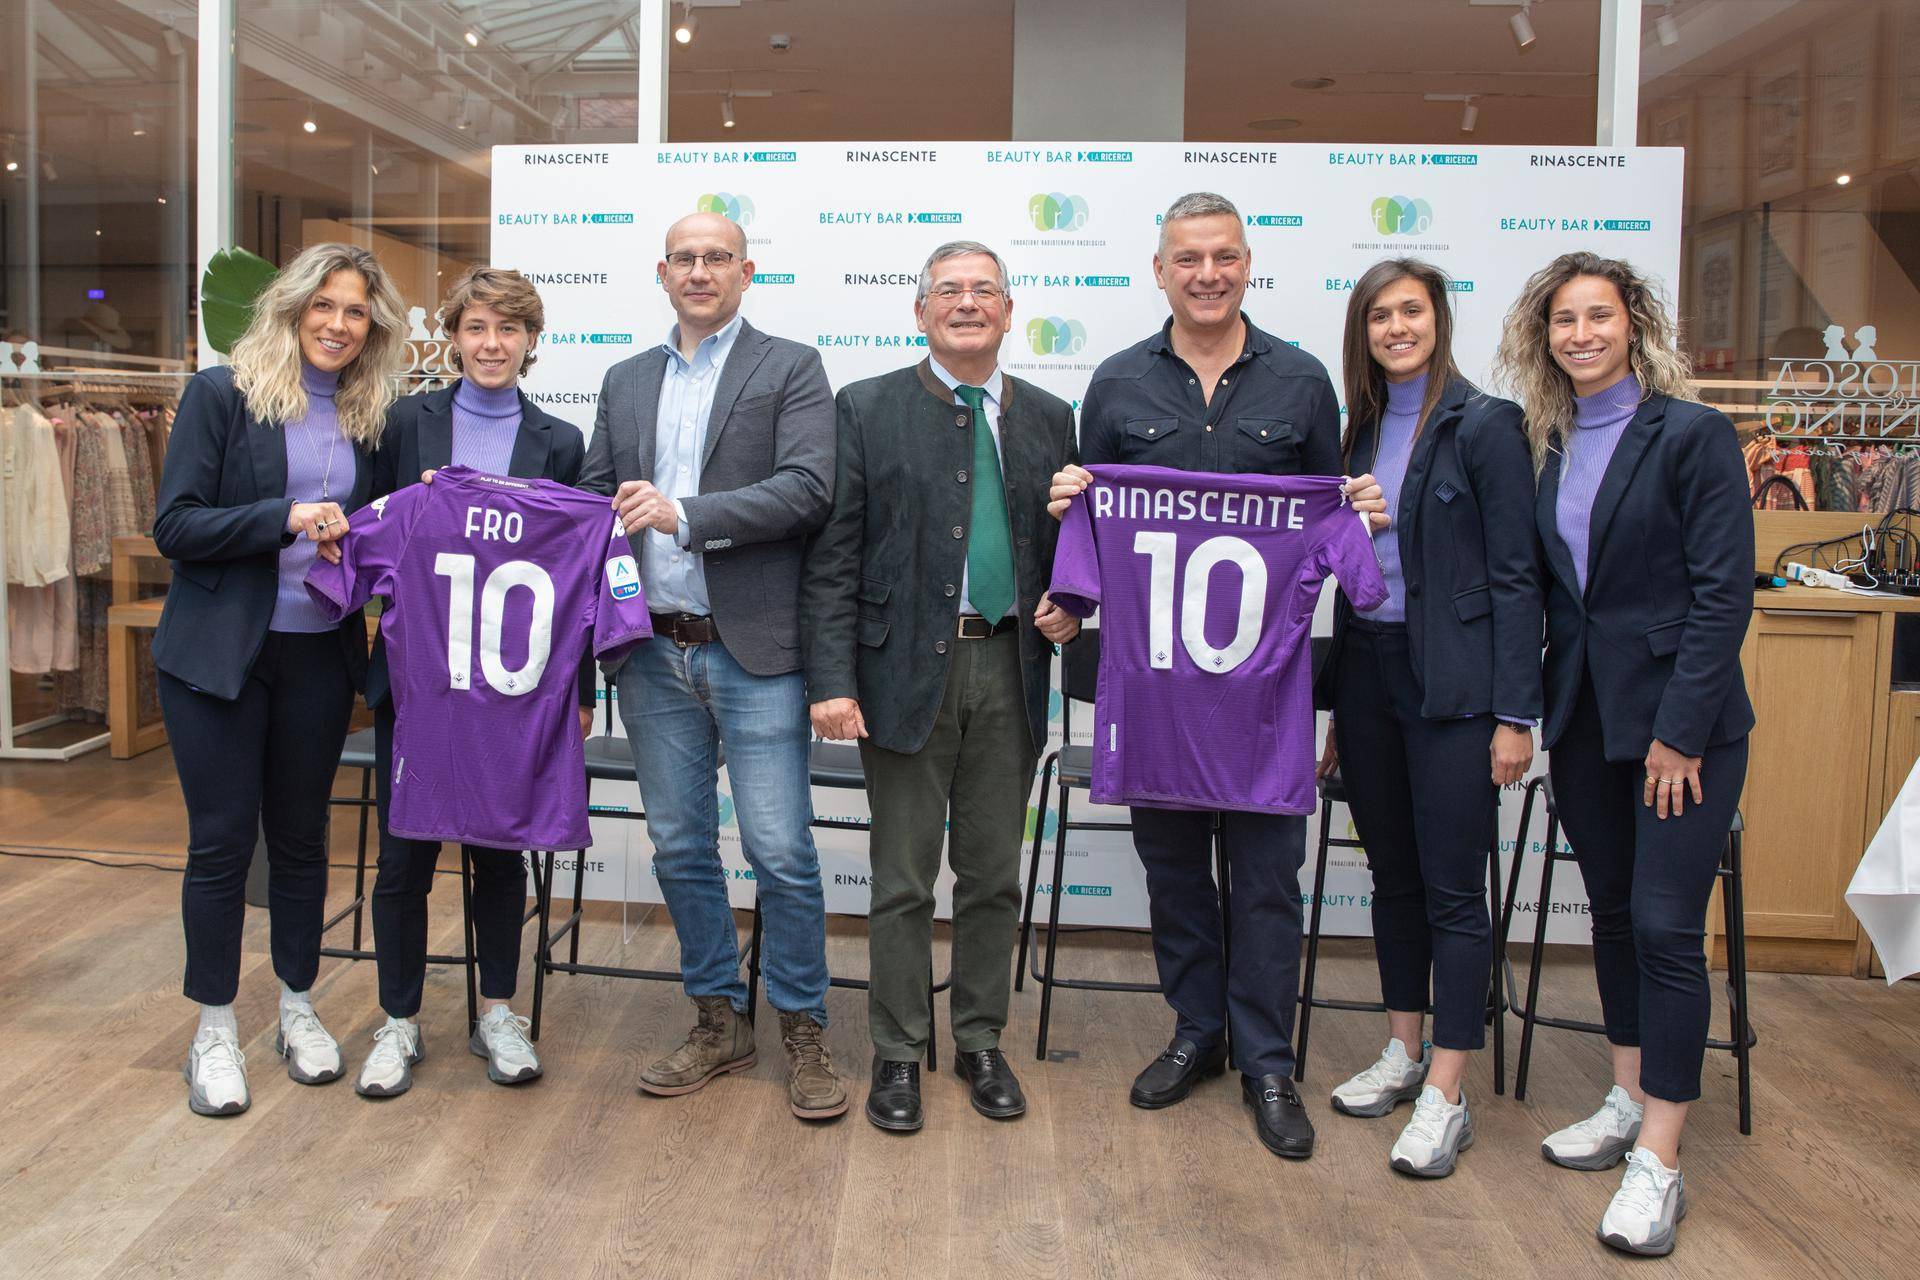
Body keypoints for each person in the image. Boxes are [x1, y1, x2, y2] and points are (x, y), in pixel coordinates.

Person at [1047, 192, 1387, 1160]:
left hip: (1264, 696)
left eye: (1224, 256)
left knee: (1268, 881)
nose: (1207, 274)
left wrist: (1356, 508)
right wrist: (1070, 505)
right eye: (1188, 258)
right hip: (1156, 693)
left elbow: (1327, 517)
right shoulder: (1116, 384)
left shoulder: (1302, 382)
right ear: (1159, 270)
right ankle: (1197, 1030)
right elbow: (1092, 520)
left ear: (1247, 264)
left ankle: (1268, 1060)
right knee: (1174, 876)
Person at [1494, 250, 1753, 1257]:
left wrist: (1679, 733)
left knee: (1663, 928)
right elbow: (1554, 593)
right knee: (1608, 914)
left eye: (1599, 316)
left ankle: (1660, 1157)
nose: (1582, 334)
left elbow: (1722, 595)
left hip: (1683, 730)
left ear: (1633, 325)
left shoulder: (1692, 434)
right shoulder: (1547, 444)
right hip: (1586, 719)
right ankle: (1630, 1090)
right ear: (1545, 335)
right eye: (1564, 320)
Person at [802, 241, 1079, 1133]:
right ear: (919, 311)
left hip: (1013, 670)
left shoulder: (1051, 418)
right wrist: (832, 680)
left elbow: (1073, 551)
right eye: (948, 290)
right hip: (900, 676)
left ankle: (980, 1040)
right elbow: (835, 555)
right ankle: (896, 1050)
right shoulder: (866, 406)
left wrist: (1072, 606)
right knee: (903, 880)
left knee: (994, 875)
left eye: (984, 290)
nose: (967, 303)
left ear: (1009, 311)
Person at [579, 211, 842, 1120]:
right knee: (681, 847)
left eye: (717, 257)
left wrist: (683, 514)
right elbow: (591, 498)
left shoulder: (791, 366)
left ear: (746, 271)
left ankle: (803, 1026)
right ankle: (718, 1018)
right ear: (662, 273)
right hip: (651, 651)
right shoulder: (624, 379)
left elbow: (808, 490)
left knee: (779, 850)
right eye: (684, 258)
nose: (700, 270)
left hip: (756, 650)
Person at [151, 241, 407, 1116]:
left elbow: (370, 531)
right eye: (323, 305)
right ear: (293, 308)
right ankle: (214, 1028)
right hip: (219, 656)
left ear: (374, 327)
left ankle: (297, 1006)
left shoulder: (370, 414)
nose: (337, 324)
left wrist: (352, 544)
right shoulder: (222, 393)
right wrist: (284, 519)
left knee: (302, 840)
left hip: (318, 654)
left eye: (355, 311)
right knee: (223, 843)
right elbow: (177, 526)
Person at [1309, 258, 1541, 1177]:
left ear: (1439, 319)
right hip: (1369, 672)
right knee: (1393, 878)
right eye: (1379, 316)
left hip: (1456, 685)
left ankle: (1448, 1087)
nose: (1396, 328)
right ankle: (1403, 1048)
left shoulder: (1487, 425)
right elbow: (1346, 566)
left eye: (1411, 311)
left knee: (1452, 888)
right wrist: (1336, 706)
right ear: (1362, 332)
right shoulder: (1360, 427)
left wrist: (1515, 712)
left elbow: (1518, 578)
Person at [352, 266, 591, 1098]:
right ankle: (399, 1019)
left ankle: (498, 1012)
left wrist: (579, 694)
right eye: (477, 328)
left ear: (531, 341)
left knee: (499, 853)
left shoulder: (560, 442)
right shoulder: (401, 423)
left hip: (513, 690)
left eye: (509, 329)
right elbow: (366, 533)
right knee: (404, 858)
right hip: (419, 681)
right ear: (452, 337)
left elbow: (573, 581)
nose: (492, 345)